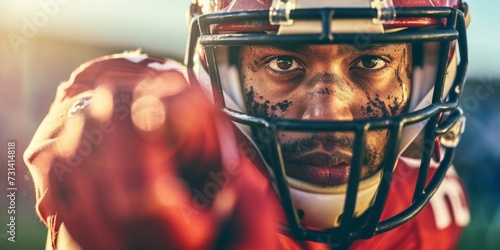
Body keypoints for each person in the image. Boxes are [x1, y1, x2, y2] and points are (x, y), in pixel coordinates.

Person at [24, 0, 472, 249]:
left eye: (371, 61)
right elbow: (111, 111)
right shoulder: (190, 176)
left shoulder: (432, 215)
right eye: (282, 62)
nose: (327, 115)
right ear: (222, 69)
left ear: (428, 76)